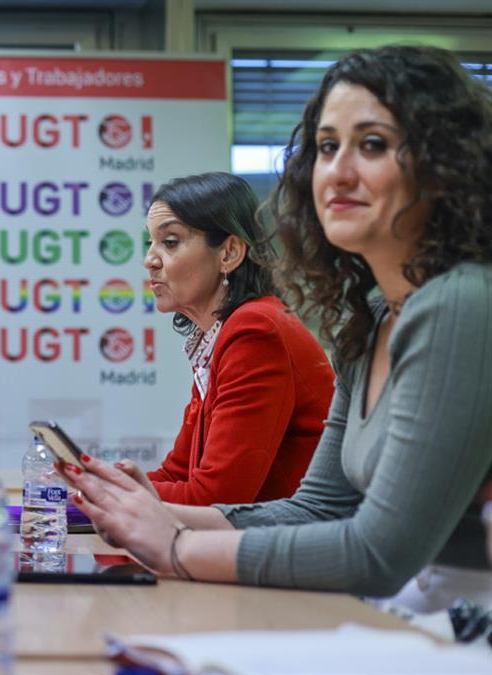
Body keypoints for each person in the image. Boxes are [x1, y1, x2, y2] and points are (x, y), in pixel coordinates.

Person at [59, 45, 492, 612]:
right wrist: (150, 513)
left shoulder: (462, 303)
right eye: (327, 147)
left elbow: (379, 553)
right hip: (399, 613)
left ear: (441, 168)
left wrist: (177, 545)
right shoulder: (375, 314)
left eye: (373, 144)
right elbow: (317, 507)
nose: (337, 170)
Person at [133, 172, 334, 506]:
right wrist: (95, 486)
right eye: (150, 243)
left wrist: (103, 495)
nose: (149, 260)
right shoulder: (222, 334)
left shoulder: (255, 331)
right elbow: (177, 474)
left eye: (169, 242)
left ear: (228, 253)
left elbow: (216, 499)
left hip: (288, 553)